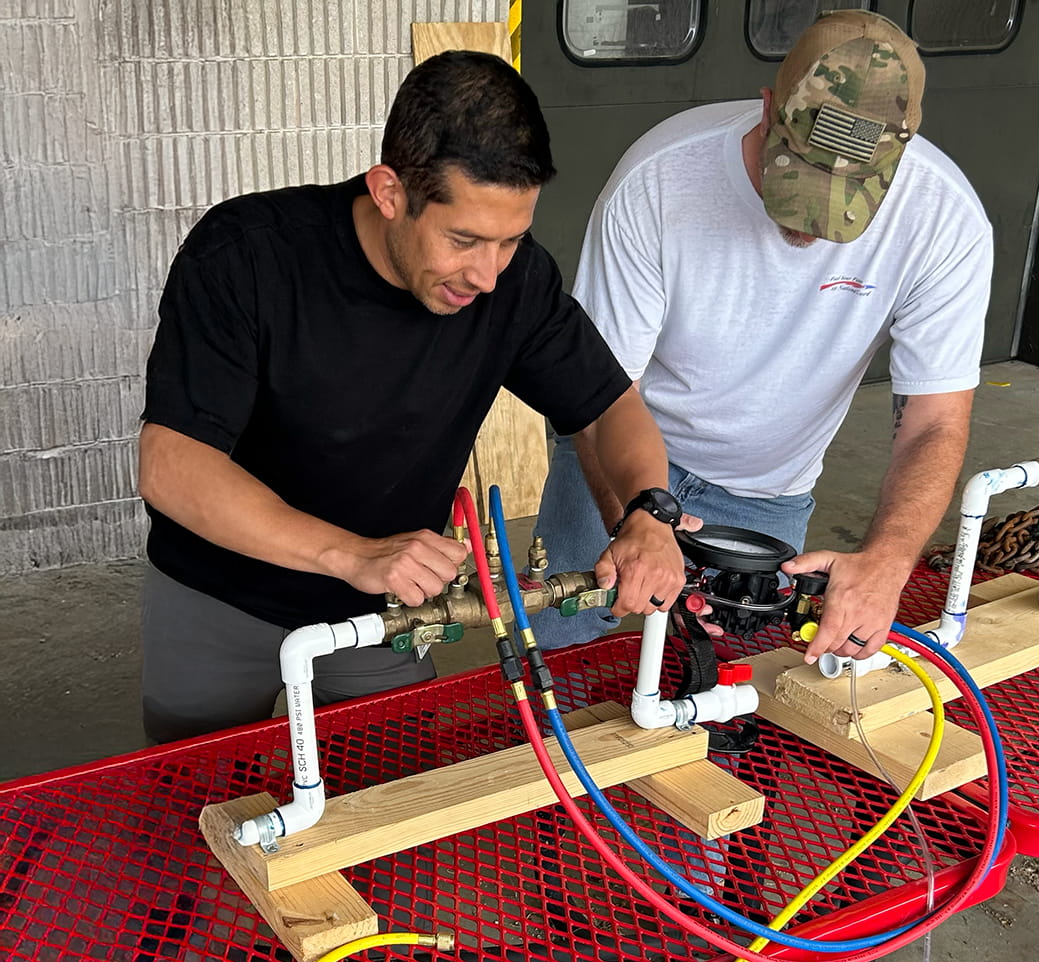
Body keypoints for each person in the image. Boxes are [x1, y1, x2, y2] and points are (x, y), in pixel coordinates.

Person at [137, 50, 684, 743]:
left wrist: (648, 511)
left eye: (511, 240)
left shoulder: (515, 285)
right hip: (217, 596)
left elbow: (607, 405)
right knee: (195, 797)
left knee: (394, 793)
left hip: (385, 608)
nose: (487, 275)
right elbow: (171, 463)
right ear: (390, 191)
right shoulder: (247, 255)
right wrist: (352, 553)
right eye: (464, 239)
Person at [530, 10, 993, 665]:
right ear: (769, 106)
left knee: (736, 676)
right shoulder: (660, 180)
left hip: (766, 493)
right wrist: (636, 516)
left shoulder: (944, 221)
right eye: (799, 174)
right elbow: (602, 391)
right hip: (625, 449)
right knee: (561, 640)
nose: (813, 221)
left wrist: (887, 560)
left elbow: (935, 422)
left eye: (846, 200)